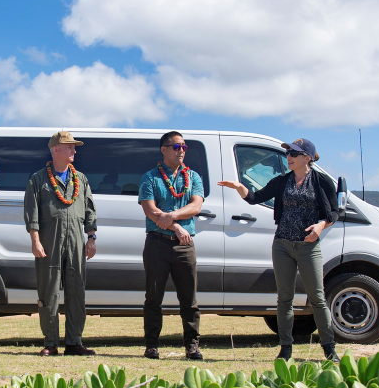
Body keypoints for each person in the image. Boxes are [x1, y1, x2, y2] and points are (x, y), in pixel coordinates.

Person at [219, 138, 340, 361]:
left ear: (308, 158)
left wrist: (321, 226)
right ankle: (285, 348)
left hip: (309, 246)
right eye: (288, 153)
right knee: (285, 298)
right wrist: (239, 187)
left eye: (294, 153)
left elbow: (333, 213)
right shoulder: (283, 181)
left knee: (317, 298)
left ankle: (329, 348)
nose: (289, 157)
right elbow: (255, 198)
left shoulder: (322, 181)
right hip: (282, 245)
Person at [23, 131, 97, 357]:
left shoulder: (80, 179)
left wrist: (91, 237)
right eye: (69, 147)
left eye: (74, 147)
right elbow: (31, 212)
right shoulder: (38, 179)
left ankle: (74, 342)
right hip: (49, 240)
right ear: (56, 150)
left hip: (75, 240)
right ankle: (51, 343)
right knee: (49, 292)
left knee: (77, 291)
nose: (74, 150)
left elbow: (89, 210)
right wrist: (35, 241)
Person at [138, 131, 206, 360]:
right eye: (176, 147)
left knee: (189, 299)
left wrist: (172, 216)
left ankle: (192, 346)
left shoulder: (193, 177)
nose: (182, 151)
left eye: (184, 147)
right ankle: (151, 346)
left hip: (184, 246)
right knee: (153, 297)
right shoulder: (150, 177)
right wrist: (176, 226)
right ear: (164, 149)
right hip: (157, 244)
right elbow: (150, 209)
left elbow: (196, 206)